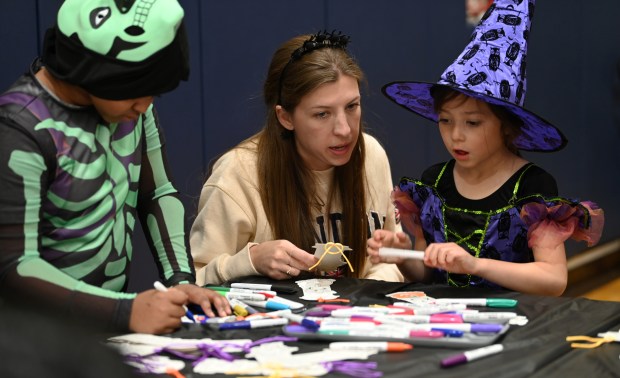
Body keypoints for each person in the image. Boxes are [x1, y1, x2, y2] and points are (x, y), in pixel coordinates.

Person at [0, 0, 230, 335]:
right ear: (92, 72)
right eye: (135, 91)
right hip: (36, 343)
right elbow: (13, 265)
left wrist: (180, 280)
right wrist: (124, 311)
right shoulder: (18, 127)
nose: (145, 105)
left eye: (153, 93)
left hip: (108, 332)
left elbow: (157, 193)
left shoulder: (131, 106)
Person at [368, 0, 604, 296]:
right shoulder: (433, 183)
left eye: (473, 123)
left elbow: (553, 280)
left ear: (506, 125)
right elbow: (426, 274)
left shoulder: (531, 187)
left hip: (513, 323)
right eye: (445, 121)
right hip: (442, 323)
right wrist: (403, 257)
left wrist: (475, 265)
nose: (456, 136)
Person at [190, 31, 403, 286]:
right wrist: (250, 260)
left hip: (356, 321)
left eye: (351, 106)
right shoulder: (238, 173)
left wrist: (368, 293)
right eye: (322, 114)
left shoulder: (371, 155)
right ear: (285, 117)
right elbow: (194, 282)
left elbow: (388, 261)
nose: (345, 130)